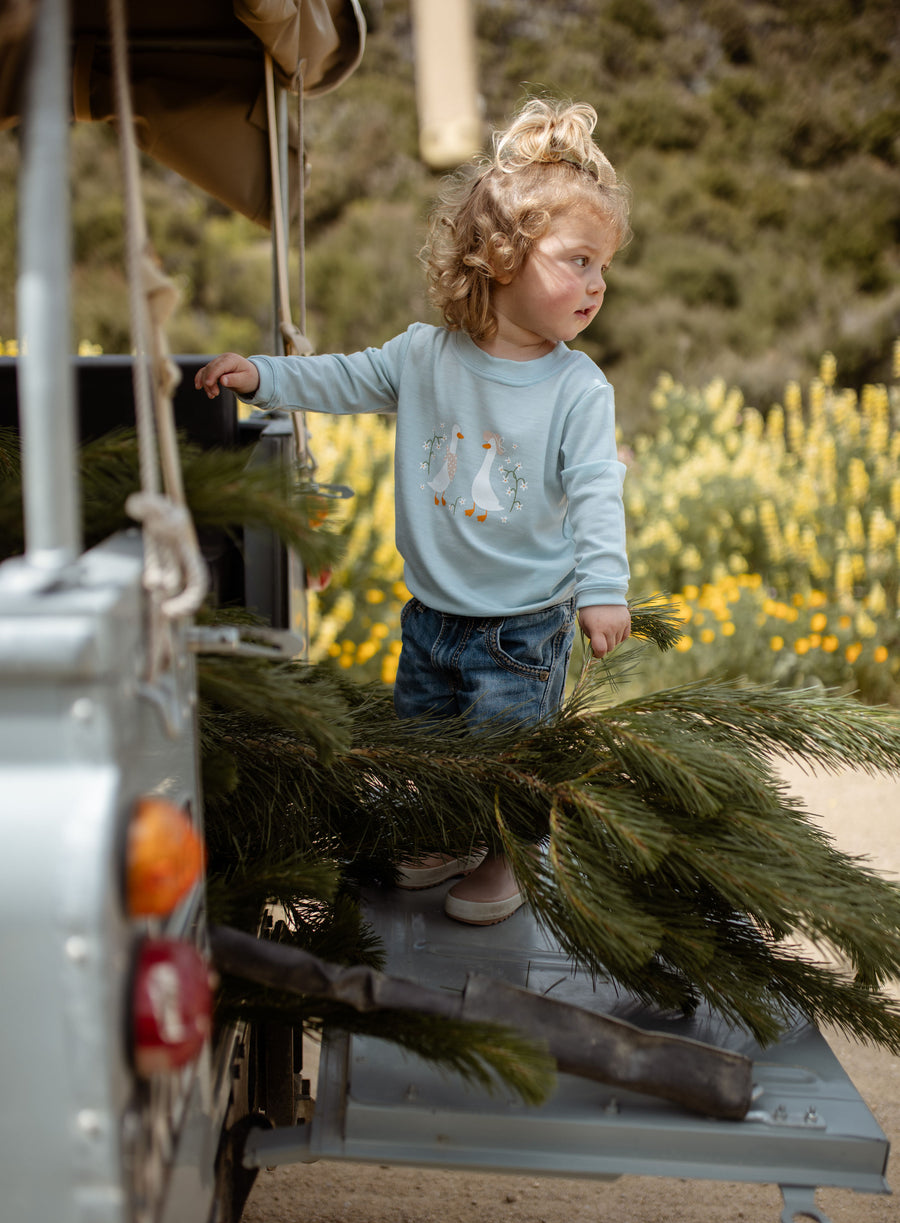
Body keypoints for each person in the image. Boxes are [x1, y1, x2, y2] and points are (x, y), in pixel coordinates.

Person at [195, 96, 632, 926]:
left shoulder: (577, 387)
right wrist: (265, 375)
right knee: (422, 743)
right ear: (501, 254)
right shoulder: (424, 357)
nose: (596, 284)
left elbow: (596, 490)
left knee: (509, 757)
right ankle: (437, 840)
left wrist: (604, 589)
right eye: (577, 260)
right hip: (431, 612)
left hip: (523, 624)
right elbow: (343, 377)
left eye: (602, 267)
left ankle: (504, 862)